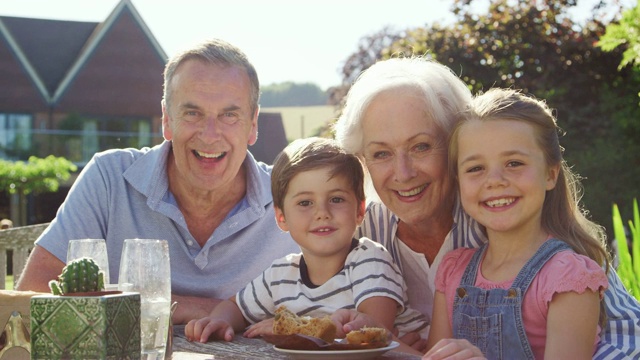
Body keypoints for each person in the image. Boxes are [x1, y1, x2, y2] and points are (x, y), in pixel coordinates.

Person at [332, 56, 640, 359]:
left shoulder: (524, 233)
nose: (403, 172)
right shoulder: (356, 233)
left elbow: (628, 335)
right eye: (381, 154)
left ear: (454, 149)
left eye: (421, 146)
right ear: (363, 161)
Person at [15, 38, 299, 324]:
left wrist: (134, 302)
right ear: (166, 119)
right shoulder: (110, 179)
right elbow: (33, 296)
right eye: (192, 113)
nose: (210, 134)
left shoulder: (294, 195)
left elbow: (334, 311)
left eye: (229, 115)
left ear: (253, 125)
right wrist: (213, 311)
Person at [185, 137, 427, 355]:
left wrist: (293, 332)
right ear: (282, 218)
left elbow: (370, 332)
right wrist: (219, 321)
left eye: (336, 199)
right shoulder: (280, 275)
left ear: (359, 211)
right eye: (305, 202)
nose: (322, 213)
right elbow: (234, 307)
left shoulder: (370, 260)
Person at [425, 88, 608, 359]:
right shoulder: (453, 271)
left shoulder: (567, 278)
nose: (495, 180)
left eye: (514, 163)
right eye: (475, 168)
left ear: (550, 174)